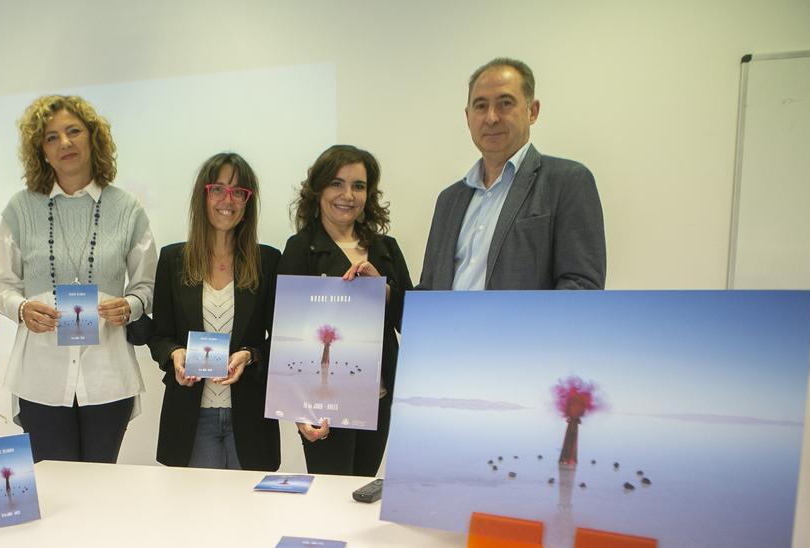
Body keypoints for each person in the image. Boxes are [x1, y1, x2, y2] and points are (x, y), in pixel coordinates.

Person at [0, 95, 157, 463]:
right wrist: (21, 309)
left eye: (73, 131)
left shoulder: (127, 208)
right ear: (41, 152)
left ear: (93, 139)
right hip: (41, 375)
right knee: (54, 491)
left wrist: (130, 305)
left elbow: (147, 286)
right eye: (51, 137)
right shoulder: (20, 208)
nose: (64, 143)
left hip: (108, 375)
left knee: (100, 486)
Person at [279, 144, 414, 477]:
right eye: (337, 183)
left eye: (358, 186)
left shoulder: (386, 248)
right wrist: (299, 412)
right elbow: (283, 333)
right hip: (324, 404)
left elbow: (413, 321)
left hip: (380, 397)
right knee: (328, 500)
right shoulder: (300, 249)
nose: (347, 195)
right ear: (319, 189)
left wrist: (382, 291)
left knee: (360, 494)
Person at [420, 57, 606, 290]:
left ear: (532, 111)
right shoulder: (448, 201)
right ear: (468, 117)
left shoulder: (568, 182)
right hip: (447, 328)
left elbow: (581, 285)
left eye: (505, 103)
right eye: (480, 106)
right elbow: (429, 291)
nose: (491, 117)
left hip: (525, 328)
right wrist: (384, 295)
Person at [149, 152, 281, 471]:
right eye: (218, 189)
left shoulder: (268, 261)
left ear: (248, 202)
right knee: (198, 516)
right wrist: (175, 353)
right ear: (203, 195)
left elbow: (281, 341)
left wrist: (249, 355)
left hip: (249, 416)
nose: (228, 200)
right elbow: (159, 336)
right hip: (192, 418)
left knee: (250, 516)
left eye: (239, 192)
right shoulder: (172, 260)